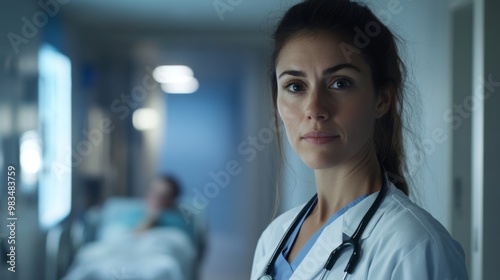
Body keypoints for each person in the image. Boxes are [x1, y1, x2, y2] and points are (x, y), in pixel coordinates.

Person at [251, 0, 468, 279]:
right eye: (295, 86)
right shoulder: (273, 239)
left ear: (382, 99)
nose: (314, 109)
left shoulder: (415, 246)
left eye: (340, 83)